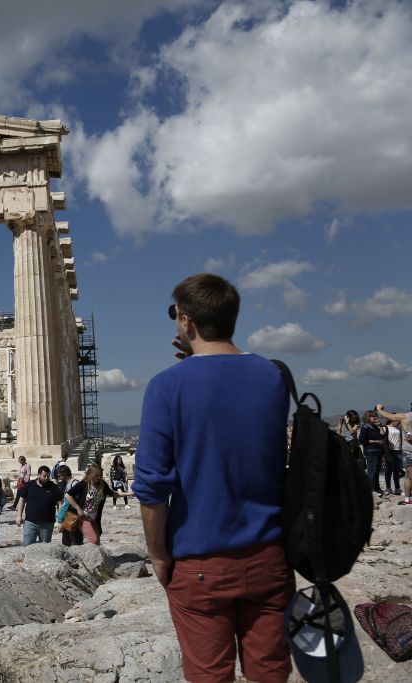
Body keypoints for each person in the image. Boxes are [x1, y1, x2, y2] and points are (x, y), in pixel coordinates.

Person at [134, 273, 295, 683]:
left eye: (176, 316)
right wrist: (198, 364)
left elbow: (153, 488)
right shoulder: (273, 378)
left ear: (186, 323)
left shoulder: (166, 387)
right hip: (270, 558)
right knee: (271, 674)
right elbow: (232, 419)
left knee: (209, 676)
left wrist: (158, 555)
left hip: (200, 564)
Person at [65, 463, 127, 545]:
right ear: (91, 475)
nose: (99, 477)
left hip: (94, 518)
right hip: (82, 517)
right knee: (94, 540)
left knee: (96, 538)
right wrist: (78, 509)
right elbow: (68, 495)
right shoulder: (84, 484)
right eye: (97, 475)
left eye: (100, 475)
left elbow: (112, 494)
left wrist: (128, 493)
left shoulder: (102, 484)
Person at [15, 465, 63, 545]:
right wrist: (19, 515)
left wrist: (60, 521)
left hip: (47, 523)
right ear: (39, 475)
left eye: (48, 476)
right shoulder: (29, 485)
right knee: (27, 546)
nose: (46, 478)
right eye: (44, 476)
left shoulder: (54, 487)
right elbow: (22, 499)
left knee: (45, 548)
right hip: (30, 522)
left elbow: (60, 503)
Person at [359, 410, 388, 495]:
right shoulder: (365, 427)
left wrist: (380, 426)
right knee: (372, 470)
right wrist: (375, 441)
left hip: (378, 451)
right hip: (371, 452)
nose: (375, 417)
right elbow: (361, 440)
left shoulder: (375, 427)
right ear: (368, 417)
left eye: (376, 416)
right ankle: (371, 489)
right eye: (373, 416)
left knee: (377, 470)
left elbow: (382, 436)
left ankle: (377, 487)